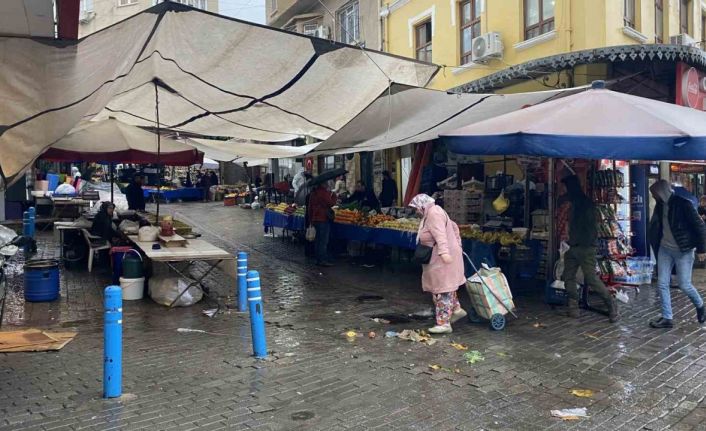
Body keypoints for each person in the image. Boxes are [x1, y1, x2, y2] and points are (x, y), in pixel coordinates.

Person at [648, 180, 706, 328]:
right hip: (665, 249)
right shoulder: (660, 206)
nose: (653, 197)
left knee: (684, 284)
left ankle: (700, 305)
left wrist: (702, 249)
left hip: (683, 250)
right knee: (662, 283)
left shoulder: (683, 204)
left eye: (655, 194)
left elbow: (700, 226)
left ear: (661, 192)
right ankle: (667, 317)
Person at [561, 175, 619, 323]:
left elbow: (589, 228)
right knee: (570, 276)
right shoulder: (578, 202)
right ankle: (574, 306)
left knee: (589, 278)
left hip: (584, 246)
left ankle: (610, 303)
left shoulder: (583, 204)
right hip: (577, 246)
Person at [409, 194, 467, 334]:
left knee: (443, 290)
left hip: (442, 258)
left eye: (416, 208)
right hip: (442, 256)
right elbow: (454, 227)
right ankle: (456, 310)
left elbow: (440, 235)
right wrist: (457, 244)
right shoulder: (434, 212)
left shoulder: (434, 213)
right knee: (447, 286)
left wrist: (445, 253)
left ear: (423, 205)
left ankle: (444, 323)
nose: (416, 211)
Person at [307, 182, 337, 267]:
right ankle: (322, 260)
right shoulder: (323, 192)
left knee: (317, 240)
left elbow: (310, 207)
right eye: (326, 183)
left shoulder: (313, 193)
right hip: (323, 219)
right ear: (323, 184)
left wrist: (311, 219)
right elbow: (331, 203)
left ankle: (318, 259)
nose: (327, 184)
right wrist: (334, 196)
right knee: (323, 241)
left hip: (315, 219)